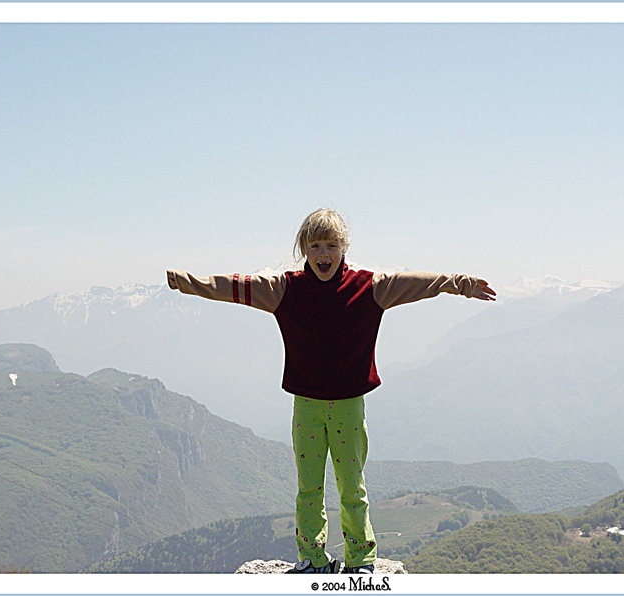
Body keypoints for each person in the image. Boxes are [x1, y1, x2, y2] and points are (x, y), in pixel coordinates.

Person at [166, 208, 496, 574]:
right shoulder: (285, 288)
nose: (324, 253)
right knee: (309, 489)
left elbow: (416, 282)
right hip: (306, 405)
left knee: (352, 489)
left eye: (332, 245)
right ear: (304, 249)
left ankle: (361, 560)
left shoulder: (368, 286)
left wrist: (461, 283)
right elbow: (234, 285)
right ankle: (312, 558)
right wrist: (188, 282)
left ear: (345, 247)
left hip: (348, 407)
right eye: (315, 245)